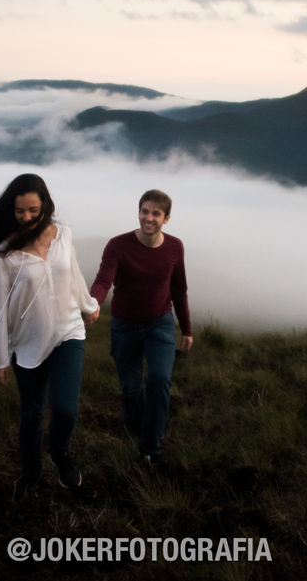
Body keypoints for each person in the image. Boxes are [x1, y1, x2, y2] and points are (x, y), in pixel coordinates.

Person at [0, 174, 99, 495]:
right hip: (27, 342)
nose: (27, 217)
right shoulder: (4, 253)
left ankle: (60, 455)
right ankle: (31, 473)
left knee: (67, 410)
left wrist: (89, 305)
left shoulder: (62, 235)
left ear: (45, 206)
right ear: (11, 210)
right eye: (20, 211)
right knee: (32, 413)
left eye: (33, 210)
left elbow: (75, 274)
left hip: (68, 331)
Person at [90, 189, 191, 466]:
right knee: (132, 389)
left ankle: (151, 448)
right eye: (144, 211)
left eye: (156, 213)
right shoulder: (118, 245)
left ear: (166, 218)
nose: (148, 218)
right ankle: (136, 430)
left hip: (160, 323)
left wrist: (187, 328)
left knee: (159, 379)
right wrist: (94, 302)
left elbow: (179, 288)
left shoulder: (175, 247)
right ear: (138, 213)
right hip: (124, 326)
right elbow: (103, 280)